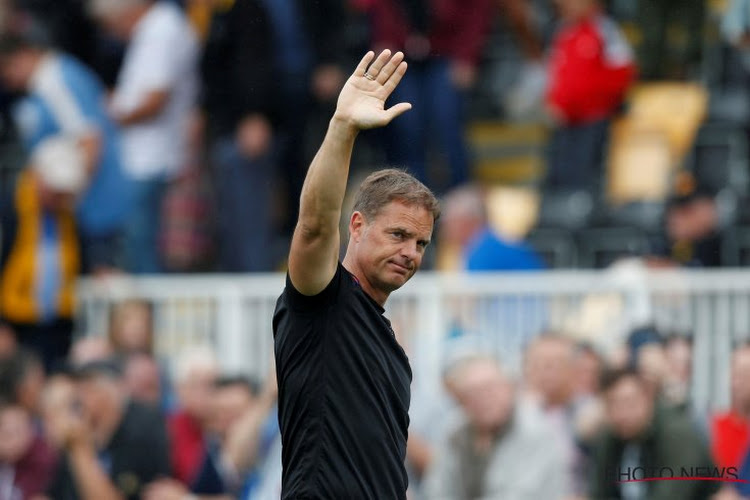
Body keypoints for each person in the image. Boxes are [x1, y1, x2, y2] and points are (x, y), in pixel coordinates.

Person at [273, 50, 440, 499]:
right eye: (399, 234)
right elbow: (314, 224)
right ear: (358, 225)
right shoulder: (322, 300)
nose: (410, 253)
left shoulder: (389, 344)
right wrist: (342, 129)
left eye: (420, 243)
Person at [0, 33, 133, 274]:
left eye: (6, 71)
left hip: (97, 207)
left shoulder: (57, 80)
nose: (7, 81)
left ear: (21, 56)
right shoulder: (44, 85)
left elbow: (91, 141)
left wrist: (65, 192)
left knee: (104, 285)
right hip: (80, 208)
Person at [89, 0, 199, 273]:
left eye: (111, 24)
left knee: (144, 248)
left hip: (151, 159)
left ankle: (150, 314)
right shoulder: (160, 27)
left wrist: (108, 112)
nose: (112, 33)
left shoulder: (160, 30)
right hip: (151, 156)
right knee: (145, 246)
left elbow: (154, 100)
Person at [424, 354, 566, 499]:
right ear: (462, 401)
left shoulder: (535, 431)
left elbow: (519, 495)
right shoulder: (455, 432)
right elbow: (437, 490)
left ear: (510, 388)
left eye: (490, 389)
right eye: (472, 393)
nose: (483, 398)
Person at [0, 136, 85, 371]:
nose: (59, 197)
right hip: (15, 322)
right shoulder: (9, 208)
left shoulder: (67, 217)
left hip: (55, 323)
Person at [43, 359, 170, 500]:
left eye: (88, 389)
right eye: (78, 390)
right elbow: (55, 492)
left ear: (111, 391)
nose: (80, 399)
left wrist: (79, 450)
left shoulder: (143, 429)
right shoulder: (80, 428)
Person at [590, 368, 719, 499]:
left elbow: (671, 494)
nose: (622, 413)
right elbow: (598, 492)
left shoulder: (677, 434)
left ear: (648, 398)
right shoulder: (610, 437)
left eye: (629, 402)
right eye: (613, 404)